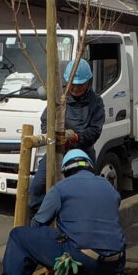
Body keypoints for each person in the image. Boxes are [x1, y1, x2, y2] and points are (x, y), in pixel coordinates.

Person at [0, 149, 127, 275]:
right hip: (116, 261)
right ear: (90, 167)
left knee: (19, 236)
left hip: (84, 260)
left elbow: (38, 223)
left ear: (66, 172)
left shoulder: (61, 188)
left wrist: (42, 252)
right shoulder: (108, 186)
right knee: (110, 234)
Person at [28, 58, 105, 211]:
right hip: (56, 150)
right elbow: (46, 121)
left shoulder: (96, 102)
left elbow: (95, 131)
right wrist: (54, 135)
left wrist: (76, 137)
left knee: (84, 194)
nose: (76, 89)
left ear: (89, 81)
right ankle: (40, 224)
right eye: (73, 85)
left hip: (83, 153)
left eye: (80, 85)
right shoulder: (59, 98)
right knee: (35, 189)